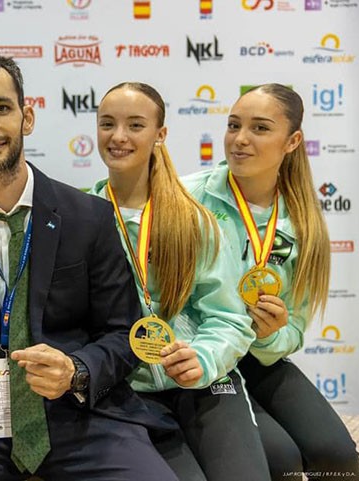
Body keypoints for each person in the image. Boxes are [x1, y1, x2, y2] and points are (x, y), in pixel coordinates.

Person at [0, 48, 177, 481]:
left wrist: (78, 370)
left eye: (1, 108)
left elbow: (123, 334)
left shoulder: (90, 217)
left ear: (26, 119)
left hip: (83, 417)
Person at [183, 83, 359, 481]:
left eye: (260, 129)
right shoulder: (188, 198)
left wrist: (270, 334)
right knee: (281, 460)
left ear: (292, 141)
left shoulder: (303, 221)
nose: (240, 140)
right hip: (209, 357)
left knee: (336, 456)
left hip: (260, 359)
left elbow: (294, 329)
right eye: (233, 125)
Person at [88, 82, 268, 480]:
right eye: (107, 124)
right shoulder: (80, 218)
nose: (118, 137)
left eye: (135, 125)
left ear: (160, 135)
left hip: (205, 384)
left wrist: (202, 359)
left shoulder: (194, 219)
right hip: (126, 392)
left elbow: (229, 318)